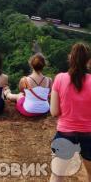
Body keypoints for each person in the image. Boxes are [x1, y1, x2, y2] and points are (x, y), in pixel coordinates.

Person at [50, 43, 91, 182]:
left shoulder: (60, 78)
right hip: (89, 135)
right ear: (88, 61)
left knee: (57, 175)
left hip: (65, 134)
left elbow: (54, 111)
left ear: (70, 58)